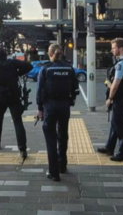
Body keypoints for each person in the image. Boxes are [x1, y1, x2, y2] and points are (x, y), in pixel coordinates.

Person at [36, 44, 79, 182]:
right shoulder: (69, 68)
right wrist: (70, 101)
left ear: (50, 53)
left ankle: (54, 173)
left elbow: (39, 90)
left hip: (50, 106)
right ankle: (62, 165)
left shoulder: (46, 68)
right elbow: (75, 88)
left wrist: (40, 108)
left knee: (50, 138)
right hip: (64, 106)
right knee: (63, 135)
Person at [0, 47, 32, 158]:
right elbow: (29, 66)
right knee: (18, 122)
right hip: (14, 95)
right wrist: (18, 73)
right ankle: (22, 148)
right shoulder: (12, 63)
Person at [97, 38, 123, 162]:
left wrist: (110, 98)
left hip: (119, 96)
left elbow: (115, 85)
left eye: (114, 48)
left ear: (120, 48)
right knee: (115, 122)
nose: (112, 50)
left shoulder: (121, 64)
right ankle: (110, 147)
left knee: (121, 125)